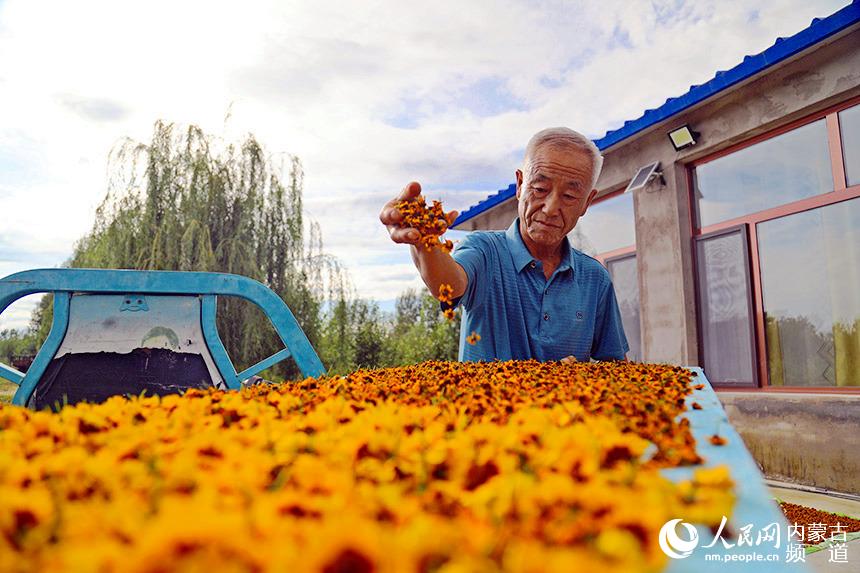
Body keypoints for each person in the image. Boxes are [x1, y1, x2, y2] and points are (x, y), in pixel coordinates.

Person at [379, 127, 629, 363]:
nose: (551, 208)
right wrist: (424, 242)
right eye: (540, 188)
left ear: (587, 202)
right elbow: (448, 285)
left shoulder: (595, 279)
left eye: (570, 196)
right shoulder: (484, 251)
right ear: (520, 185)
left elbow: (617, 366)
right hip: (481, 408)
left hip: (567, 409)